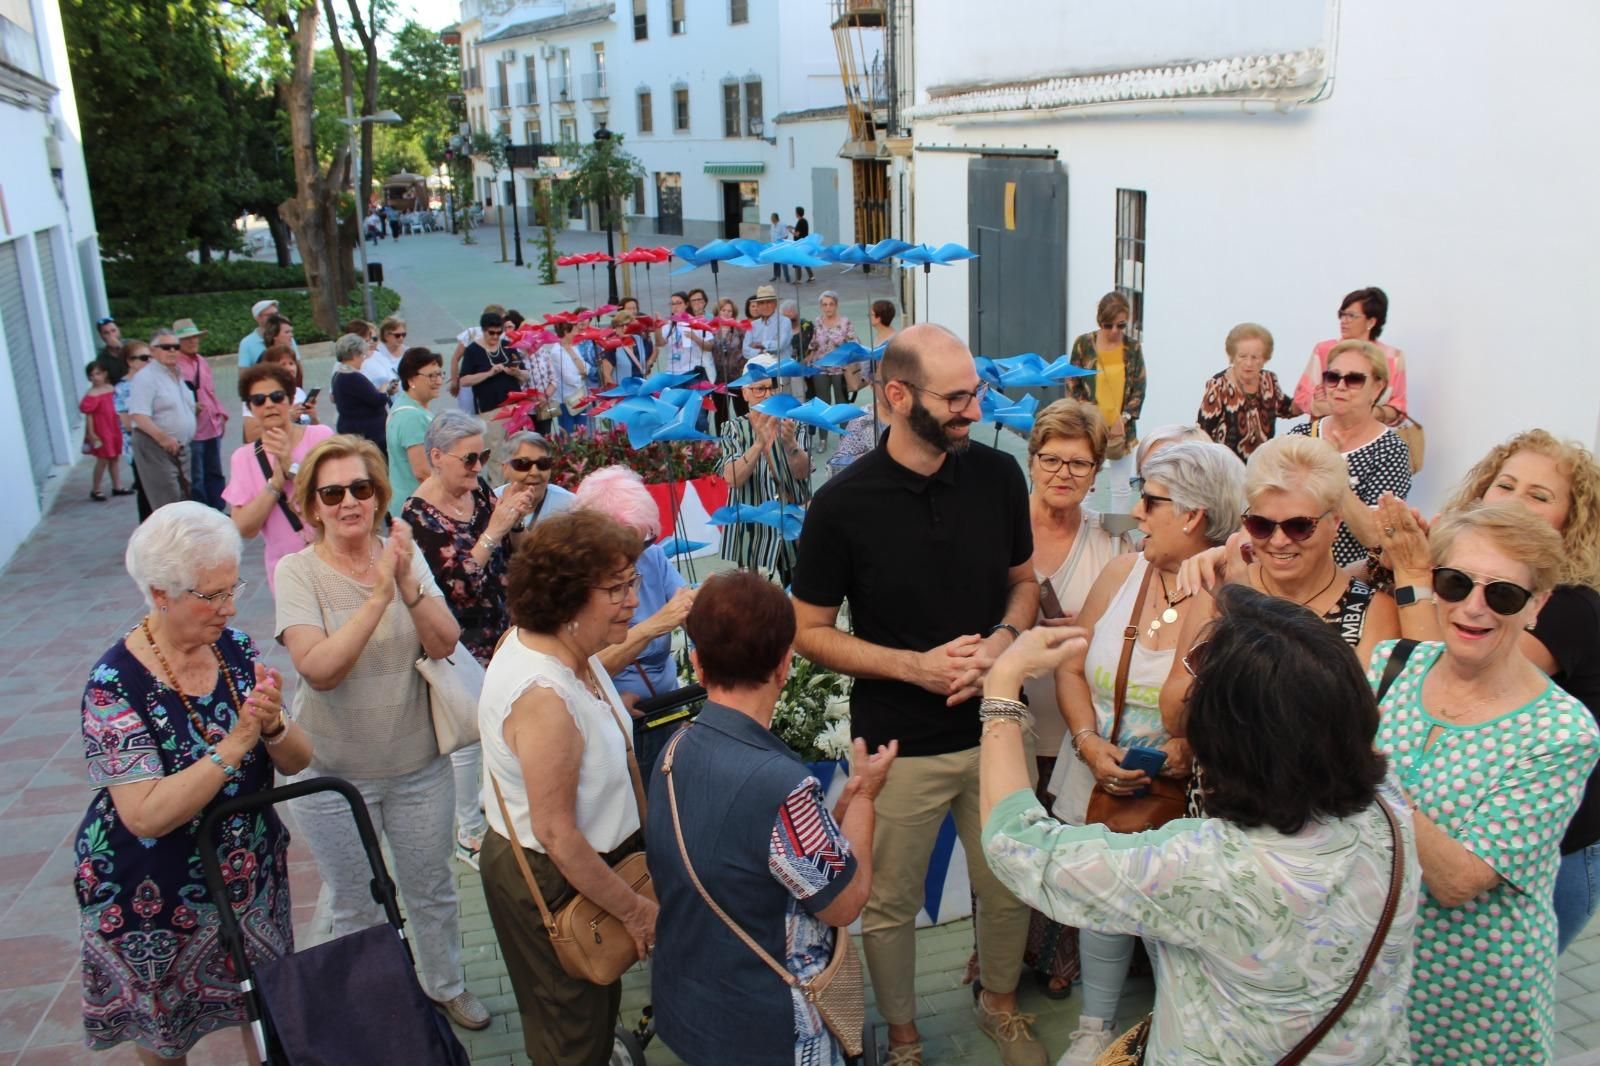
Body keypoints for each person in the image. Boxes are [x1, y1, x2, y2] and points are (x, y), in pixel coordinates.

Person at [978, 585, 1418, 1063]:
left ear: (1222, 740)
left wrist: (1003, 684)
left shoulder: (1206, 868)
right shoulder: (1390, 810)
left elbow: (1017, 845)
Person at [791, 323, 1045, 1065]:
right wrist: (914, 668)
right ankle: (903, 1037)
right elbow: (808, 629)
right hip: (896, 746)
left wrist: (1000, 645)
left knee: (1008, 888)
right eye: (958, 396)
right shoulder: (841, 505)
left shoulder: (1000, 477)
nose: (975, 407)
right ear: (896, 397)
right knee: (890, 904)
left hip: (997, 732)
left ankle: (999, 1003)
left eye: (977, 391)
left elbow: (1024, 584)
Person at [75, 502, 312, 1062]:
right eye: (212, 596)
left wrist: (274, 724)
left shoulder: (233, 648)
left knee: (267, 1015)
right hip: (151, 896)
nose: (230, 608)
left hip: (248, 876)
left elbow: (299, 759)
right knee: (167, 1038)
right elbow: (145, 814)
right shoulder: (113, 685)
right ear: (160, 593)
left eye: (233, 588)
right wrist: (234, 746)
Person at [274, 435, 490, 1032]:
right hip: (332, 776)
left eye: (361, 489)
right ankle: (376, 1007)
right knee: (355, 903)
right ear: (313, 506)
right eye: (333, 492)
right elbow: (319, 670)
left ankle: (445, 985)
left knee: (432, 889)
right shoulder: (296, 572)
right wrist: (379, 595)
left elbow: (446, 641)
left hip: (417, 763)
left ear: (378, 496)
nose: (349, 502)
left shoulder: (404, 555)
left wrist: (409, 583)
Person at [1369, 503, 1598, 1062]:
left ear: (1538, 606)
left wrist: (1365, 769)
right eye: (1455, 583)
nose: (1473, 607)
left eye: (1503, 595)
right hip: (1363, 972)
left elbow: (1459, 879)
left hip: (1470, 1003)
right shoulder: (1390, 664)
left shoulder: (1562, 731)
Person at [1046, 440, 1245, 1062]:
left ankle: (1179, 1035)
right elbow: (1071, 667)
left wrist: (1194, 745)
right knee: (1102, 906)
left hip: (1183, 796)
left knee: (1180, 921)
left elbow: (1245, 702)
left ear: (1192, 516)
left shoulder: (1231, 592)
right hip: (1098, 772)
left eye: (1150, 500)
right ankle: (1094, 1027)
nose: (1135, 512)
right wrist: (1086, 743)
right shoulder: (1122, 572)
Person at [648, 571, 896, 1065]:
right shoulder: (782, 785)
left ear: (696, 664)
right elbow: (843, 903)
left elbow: (750, 854)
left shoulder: (673, 750)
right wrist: (866, 797)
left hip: (692, 1004)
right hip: (767, 1026)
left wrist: (839, 810)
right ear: (785, 663)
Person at [1379, 429, 1600, 951]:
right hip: (1425, 852)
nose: (1517, 502)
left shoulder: (1571, 607)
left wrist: (1415, 572)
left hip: (1555, 852)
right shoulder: (1386, 663)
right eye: (1506, 485)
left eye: (1540, 495)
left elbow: (1460, 652)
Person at [477, 511, 658, 1064]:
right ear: (568, 598)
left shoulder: (555, 647)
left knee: (592, 999)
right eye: (617, 588)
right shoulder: (545, 699)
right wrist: (633, 909)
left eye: (634, 581)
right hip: (552, 876)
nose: (633, 598)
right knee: (569, 1027)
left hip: (578, 868)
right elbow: (557, 833)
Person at [1160, 434, 1400, 728]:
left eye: (1299, 526)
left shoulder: (1371, 613)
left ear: (1335, 522)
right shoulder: (1224, 591)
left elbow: (1356, 730)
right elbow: (1172, 717)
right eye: (1261, 525)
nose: (1278, 541)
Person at [1016, 400, 1127, 998]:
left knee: (1069, 843)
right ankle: (1004, 958)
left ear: (1096, 470)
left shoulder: (1109, 541)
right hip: (1012, 715)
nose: (1063, 473)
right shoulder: (1002, 529)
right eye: (1051, 459)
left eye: (1079, 464)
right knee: (1011, 839)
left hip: (1079, 721)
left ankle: (1062, 959)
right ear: (1031, 461)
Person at [403, 411, 536, 868]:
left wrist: (515, 521)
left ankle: (495, 808)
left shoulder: (475, 489)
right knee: (469, 734)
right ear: (436, 457)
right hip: (459, 637)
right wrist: (496, 529)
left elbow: (506, 548)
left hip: (502, 621)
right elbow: (456, 584)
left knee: (505, 720)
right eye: (468, 459)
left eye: (482, 456)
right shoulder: (416, 516)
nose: (478, 467)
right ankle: (468, 832)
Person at [575, 466, 695, 775]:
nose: (637, 554)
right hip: (619, 724)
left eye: (643, 542)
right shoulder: (579, 583)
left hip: (669, 706)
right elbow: (584, 670)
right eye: (627, 546)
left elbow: (687, 612)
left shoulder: (652, 557)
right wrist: (655, 624)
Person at [1287, 339, 1412, 567]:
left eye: (1354, 379)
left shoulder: (1391, 450)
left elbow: (1374, 536)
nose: (1340, 386)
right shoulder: (1302, 435)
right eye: (1333, 377)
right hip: (1292, 571)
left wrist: (1333, 472)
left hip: (1347, 580)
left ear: (1377, 387)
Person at [223, 363, 334, 594]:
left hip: (335, 554)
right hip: (287, 571)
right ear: (250, 408)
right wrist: (275, 483)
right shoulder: (243, 458)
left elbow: (337, 492)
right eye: (259, 400)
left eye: (276, 396)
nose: (269, 404)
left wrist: (290, 466)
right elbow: (244, 527)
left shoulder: (321, 436)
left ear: (291, 398)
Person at [717, 356, 813, 580]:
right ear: (745, 392)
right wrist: (759, 443)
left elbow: (803, 472)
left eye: (772, 388)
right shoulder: (733, 428)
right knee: (753, 603)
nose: (768, 395)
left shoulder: (794, 424)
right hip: (752, 532)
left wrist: (790, 445)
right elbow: (732, 478)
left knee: (796, 590)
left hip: (791, 528)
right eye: (760, 389)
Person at [1066, 293, 1146, 515]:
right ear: (1099, 321)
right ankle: (1082, 531)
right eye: (1107, 324)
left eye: (1120, 325)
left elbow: (1139, 388)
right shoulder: (1083, 344)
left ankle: (1116, 537)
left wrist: (1125, 418)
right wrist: (1090, 418)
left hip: (1122, 430)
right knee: (1086, 484)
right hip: (1088, 427)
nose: (1114, 331)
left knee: (1121, 488)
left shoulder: (1133, 348)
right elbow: (1073, 384)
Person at [1293, 286, 1408, 425]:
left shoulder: (1393, 357)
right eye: (1342, 314)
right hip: (1325, 436)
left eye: (1351, 315)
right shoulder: (1324, 350)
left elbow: (1398, 409)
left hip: (1370, 438)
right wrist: (1327, 408)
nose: (1344, 320)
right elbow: (1301, 396)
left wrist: (1371, 413)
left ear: (1371, 322)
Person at [1195, 322, 1298, 459]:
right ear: (1233, 356)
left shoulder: (1269, 380)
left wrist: (1310, 400)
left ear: (1264, 359)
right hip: (1227, 467)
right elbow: (1202, 433)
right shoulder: (1219, 385)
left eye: (1255, 357)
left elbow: (1286, 409)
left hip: (1260, 466)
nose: (1248, 363)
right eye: (1242, 356)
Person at [127, 330, 196, 512]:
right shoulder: (146, 377)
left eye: (176, 347)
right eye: (166, 347)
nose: (172, 351)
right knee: (168, 500)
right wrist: (163, 438)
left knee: (184, 496)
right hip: (155, 446)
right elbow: (139, 414)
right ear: (153, 350)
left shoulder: (176, 374)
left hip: (181, 447)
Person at [173, 318, 228, 511]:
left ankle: (218, 510)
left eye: (194, 337)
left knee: (215, 472)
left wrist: (221, 414)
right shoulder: (176, 365)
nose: (192, 341)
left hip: (212, 424)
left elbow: (210, 391)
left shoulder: (202, 361)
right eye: (187, 339)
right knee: (196, 476)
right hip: (194, 429)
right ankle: (202, 512)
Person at [459, 312, 529, 460]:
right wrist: (488, 373)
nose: (496, 337)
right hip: (491, 409)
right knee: (496, 454)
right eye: (492, 333)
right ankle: (497, 483)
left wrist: (515, 372)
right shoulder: (473, 350)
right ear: (484, 330)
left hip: (515, 406)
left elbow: (526, 374)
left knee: (518, 451)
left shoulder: (507, 346)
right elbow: (464, 380)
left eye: (499, 333)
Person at [386, 347, 444, 516]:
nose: (438, 381)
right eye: (431, 376)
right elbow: (423, 471)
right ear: (411, 379)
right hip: (419, 508)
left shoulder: (406, 406)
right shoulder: (412, 417)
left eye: (440, 374)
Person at [494, 431, 577, 532]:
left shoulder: (569, 505)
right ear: (505, 469)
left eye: (543, 463)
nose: (535, 472)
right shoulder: (491, 502)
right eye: (523, 464)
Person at [241, 344, 320, 445]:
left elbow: (314, 431)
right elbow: (250, 436)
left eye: (291, 363)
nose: (290, 368)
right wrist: (288, 418)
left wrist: (314, 418)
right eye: (283, 364)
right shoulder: (256, 397)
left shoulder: (299, 392)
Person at [330, 332, 390, 459]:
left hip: (352, 429)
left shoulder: (338, 374)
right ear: (354, 354)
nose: (363, 358)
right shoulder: (353, 377)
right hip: (367, 434)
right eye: (362, 354)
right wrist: (385, 389)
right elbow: (377, 400)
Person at [531, 319, 595, 434]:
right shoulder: (556, 352)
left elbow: (587, 368)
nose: (577, 332)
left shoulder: (573, 347)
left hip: (580, 397)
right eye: (574, 329)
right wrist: (582, 375)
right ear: (566, 331)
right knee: (567, 435)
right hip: (567, 400)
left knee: (582, 432)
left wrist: (573, 354)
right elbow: (570, 379)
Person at [114, 340, 154, 520]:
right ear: (130, 361)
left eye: (151, 357)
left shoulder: (152, 381)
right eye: (144, 358)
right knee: (146, 492)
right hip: (139, 447)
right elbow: (128, 423)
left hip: (159, 443)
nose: (149, 362)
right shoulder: (123, 388)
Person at [80, 361, 127, 500]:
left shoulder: (111, 389)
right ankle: (96, 489)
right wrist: (92, 433)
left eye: (98, 373)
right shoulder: (92, 394)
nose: (95, 377)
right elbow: (89, 416)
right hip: (101, 430)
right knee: (102, 460)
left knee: (114, 458)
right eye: (92, 375)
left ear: (105, 374)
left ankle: (117, 486)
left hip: (113, 427)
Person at [449, 302, 507, 411]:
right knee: (469, 414)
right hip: (471, 381)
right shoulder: (472, 332)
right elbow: (455, 358)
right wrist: (454, 382)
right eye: (502, 319)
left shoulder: (502, 334)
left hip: (492, 384)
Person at [808, 290, 859, 405]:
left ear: (836, 305)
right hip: (820, 368)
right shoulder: (817, 322)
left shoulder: (845, 322)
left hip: (840, 368)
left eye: (831, 304)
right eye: (825, 304)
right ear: (821, 306)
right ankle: (824, 424)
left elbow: (853, 344)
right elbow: (813, 343)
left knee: (842, 403)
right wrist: (807, 361)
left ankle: (844, 424)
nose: (828, 308)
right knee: (823, 404)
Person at [709, 296, 750, 423]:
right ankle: (722, 440)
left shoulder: (740, 329)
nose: (726, 313)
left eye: (729, 311)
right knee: (721, 414)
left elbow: (747, 349)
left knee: (742, 412)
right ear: (718, 312)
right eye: (723, 310)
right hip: (719, 378)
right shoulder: (711, 329)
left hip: (737, 377)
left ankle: (744, 439)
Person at [237, 299, 292, 369]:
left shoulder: (287, 337)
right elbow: (243, 375)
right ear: (258, 318)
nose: (275, 317)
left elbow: (297, 366)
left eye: (276, 314)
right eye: (270, 315)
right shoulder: (246, 343)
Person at [743, 285, 791, 364]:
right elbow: (745, 350)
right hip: (759, 367)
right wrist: (761, 352)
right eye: (761, 303)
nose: (765, 306)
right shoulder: (753, 325)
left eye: (769, 302)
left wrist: (761, 344)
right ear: (758, 306)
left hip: (780, 367)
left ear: (775, 304)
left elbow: (780, 345)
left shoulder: (784, 321)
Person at [364, 316, 407, 395]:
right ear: (386, 335)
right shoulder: (375, 351)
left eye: (403, 335)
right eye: (397, 335)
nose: (401, 338)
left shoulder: (408, 352)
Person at [95, 315, 128, 383]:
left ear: (119, 330)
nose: (111, 335)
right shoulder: (102, 358)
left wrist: (120, 347)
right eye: (106, 333)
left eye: (113, 330)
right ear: (101, 336)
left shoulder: (133, 344)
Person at [793, 205, 816, 282]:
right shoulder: (805, 221)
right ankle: (811, 276)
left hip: (800, 244)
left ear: (797, 213)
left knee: (797, 261)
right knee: (804, 260)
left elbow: (797, 234)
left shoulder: (800, 221)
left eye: (795, 212)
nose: (795, 214)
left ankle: (798, 279)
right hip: (804, 243)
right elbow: (802, 231)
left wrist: (791, 231)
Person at [769, 212, 792, 283]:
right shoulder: (772, 225)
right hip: (774, 245)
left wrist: (781, 242)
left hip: (781, 245)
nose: (771, 219)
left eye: (772, 218)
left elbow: (786, 236)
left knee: (783, 262)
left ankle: (787, 277)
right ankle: (776, 276)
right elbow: (772, 235)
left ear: (775, 218)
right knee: (775, 261)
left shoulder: (782, 224)